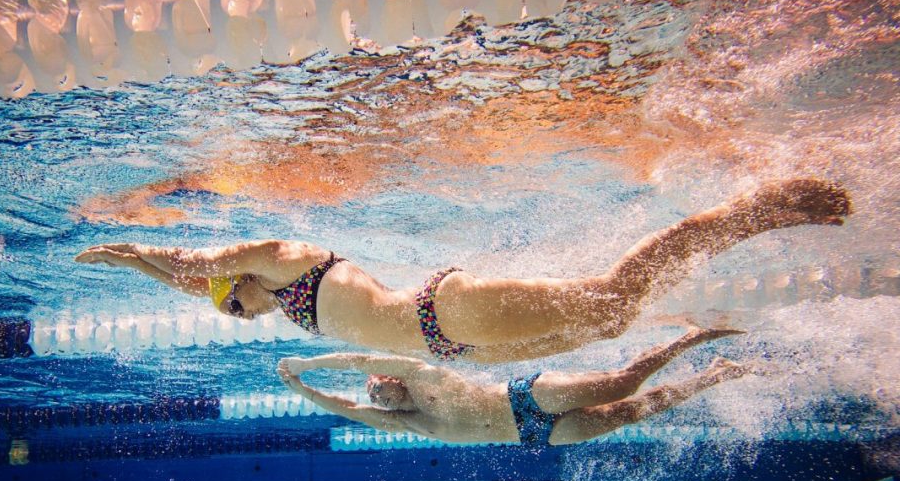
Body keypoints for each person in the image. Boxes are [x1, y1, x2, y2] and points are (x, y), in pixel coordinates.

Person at [75, 179, 849, 363]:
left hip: (446, 315)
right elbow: (201, 281)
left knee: (613, 295)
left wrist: (130, 252)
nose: (239, 315)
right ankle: (743, 225)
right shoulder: (274, 298)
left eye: (232, 307)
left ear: (239, 283)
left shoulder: (278, 261)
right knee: (614, 318)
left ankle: (758, 209)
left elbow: (197, 265)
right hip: (457, 343)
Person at [276, 327, 748, 446]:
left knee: (623, 382)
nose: (373, 397)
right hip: (535, 435)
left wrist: (306, 363)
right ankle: (714, 375)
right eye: (372, 399)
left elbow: (358, 357)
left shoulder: (418, 374)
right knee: (633, 411)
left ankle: (691, 338)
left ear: (389, 377)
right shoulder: (410, 423)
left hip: (526, 396)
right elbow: (343, 408)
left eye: (375, 388)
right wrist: (303, 392)